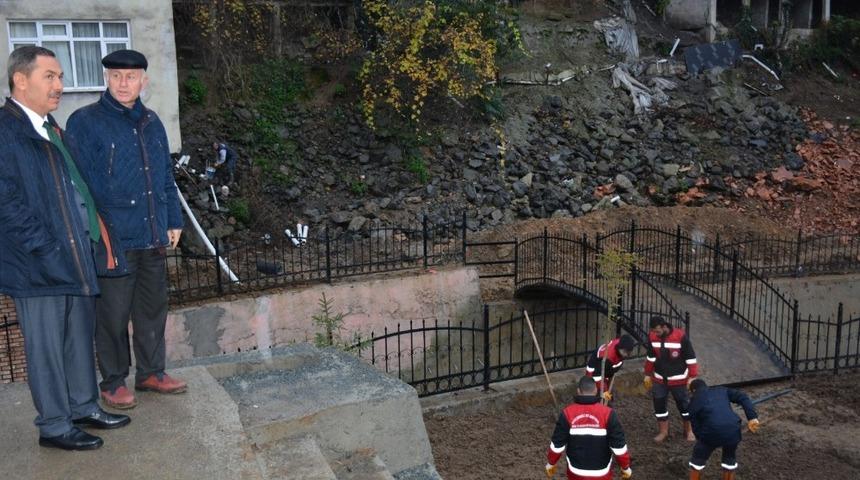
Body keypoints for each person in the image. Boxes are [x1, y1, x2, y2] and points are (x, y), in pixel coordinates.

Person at [0, 46, 130, 450]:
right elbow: (6, 201)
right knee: (46, 350)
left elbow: (76, 191)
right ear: (20, 80)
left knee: (77, 339)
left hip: (74, 256)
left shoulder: (52, 129)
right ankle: (54, 425)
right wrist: (44, 246)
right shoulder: (7, 130)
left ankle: (83, 406)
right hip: (38, 264)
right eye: (50, 77)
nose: (60, 85)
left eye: (60, 77)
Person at [66, 49, 186, 409]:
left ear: (143, 81)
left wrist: (174, 219)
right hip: (112, 237)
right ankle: (113, 381)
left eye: (131, 77)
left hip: (151, 235)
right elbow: (79, 183)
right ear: (105, 78)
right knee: (113, 315)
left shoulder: (152, 122)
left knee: (152, 309)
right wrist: (96, 230)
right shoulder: (85, 121)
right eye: (116, 75)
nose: (123, 82)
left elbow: (165, 177)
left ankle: (151, 372)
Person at [545, 376, 633, 480]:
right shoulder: (608, 413)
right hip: (602, 473)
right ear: (596, 390)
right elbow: (619, 446)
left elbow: (557, 445)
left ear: (578, 391)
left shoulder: (567, 413)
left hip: (576, 472)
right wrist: (625, 467)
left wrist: (551, 464)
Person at [687, 379, 760, 480]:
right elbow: (742, 396)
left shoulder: (694, 401)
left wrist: (702, 438)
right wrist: (752, 417)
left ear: (693, 391)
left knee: (698, 458)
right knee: (729, 457)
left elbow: (695, 425)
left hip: (711, 432)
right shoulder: (721, 390)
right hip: (733, 429)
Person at [643, 315, 698, 442]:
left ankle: (689, 431)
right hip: (659, 379)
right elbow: (651, 357)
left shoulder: (680, 336)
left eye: (657, 331)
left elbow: (691, 358)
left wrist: (692, 377)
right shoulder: (652, 337)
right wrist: (647, 374)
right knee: (659, 406)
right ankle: (663, 432)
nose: (655, 334)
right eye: (653, 331)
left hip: (679, 380)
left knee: (684, 406)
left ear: (664, 327)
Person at [585, 334, 636, 403]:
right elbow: (597, 376)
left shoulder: (621, 345)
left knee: (607, 397)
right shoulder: (608, 357)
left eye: (628, 353)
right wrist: (604, 391)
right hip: (594, 373)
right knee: (597, 398)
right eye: (624, 352)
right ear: (620, 347)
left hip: (605, 372)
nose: (626, 355)